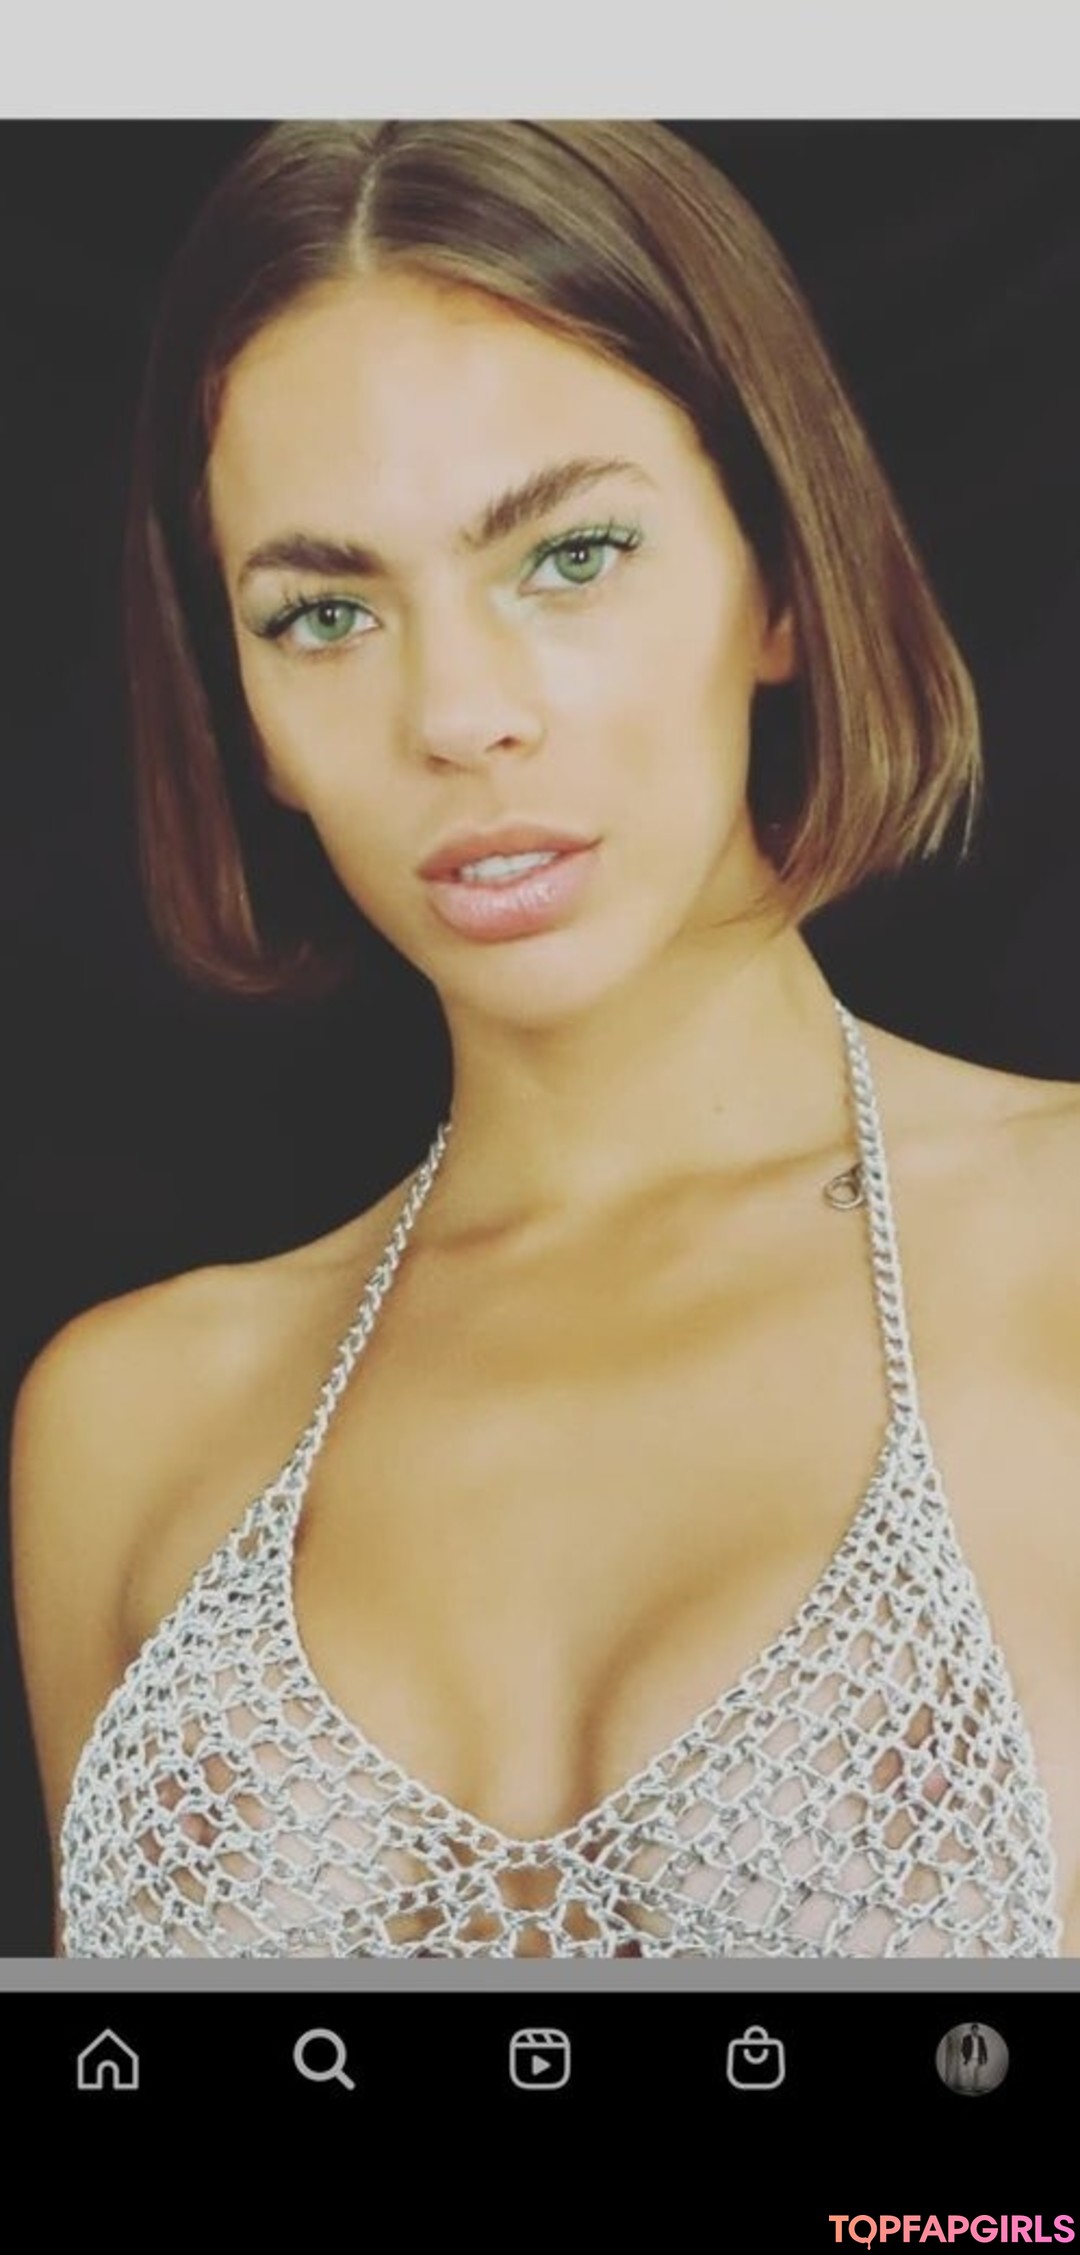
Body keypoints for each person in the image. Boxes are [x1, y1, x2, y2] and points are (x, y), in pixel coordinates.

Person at [10, 120, 1079, 1958]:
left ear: (781, 579)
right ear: (243, 707)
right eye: (325, 612)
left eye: (570, 554)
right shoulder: (129, 1426)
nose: (458, 712)